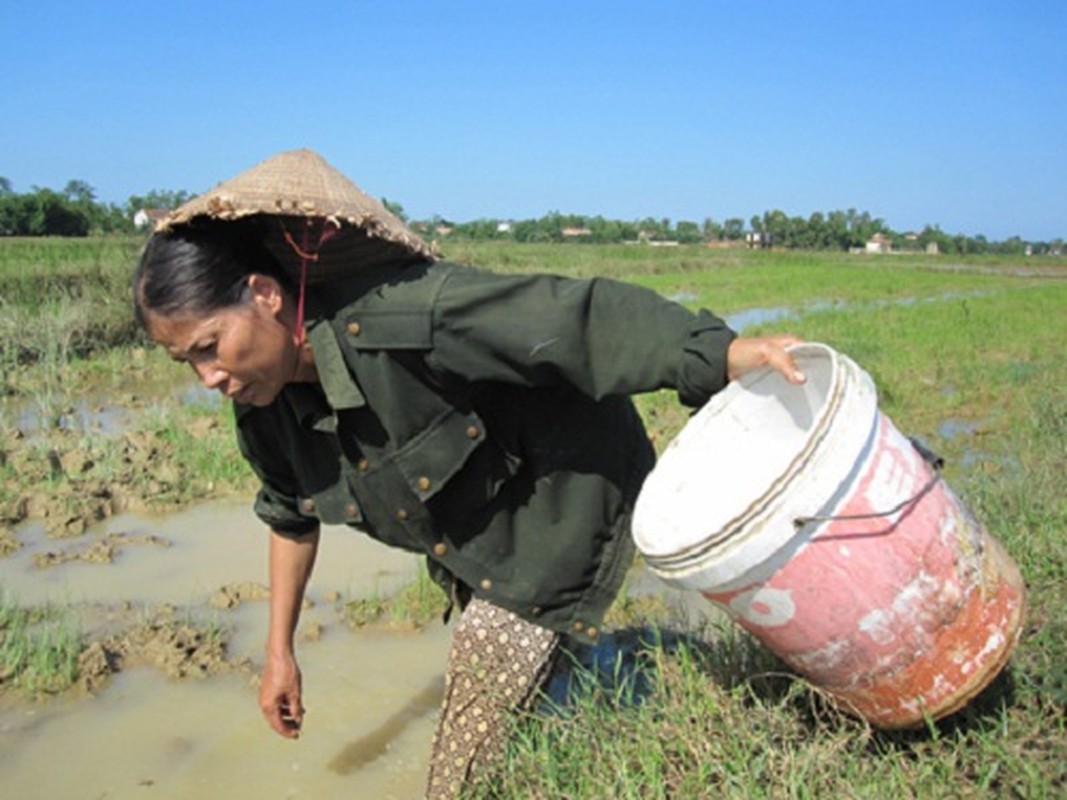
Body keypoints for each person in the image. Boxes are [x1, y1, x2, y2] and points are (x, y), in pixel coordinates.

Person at [132, 150, 804, 799]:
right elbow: (289, 515)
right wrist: (278, 653)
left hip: (564, 493)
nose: (209, 378)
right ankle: (593, 697)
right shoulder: (262, 408)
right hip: (477, 530)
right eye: (186, 364)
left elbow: (573, 321)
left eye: (209, 348)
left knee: (463, 758)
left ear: (264, 295)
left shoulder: (411, 316)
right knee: (527, 681)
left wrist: (721, 354)